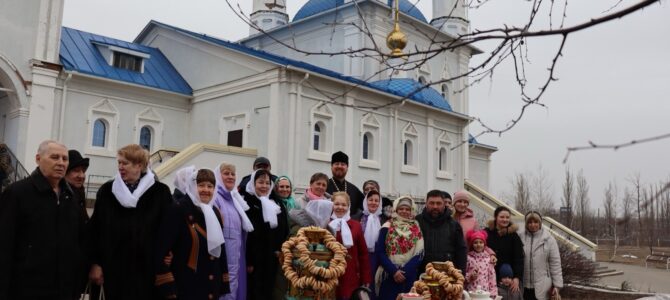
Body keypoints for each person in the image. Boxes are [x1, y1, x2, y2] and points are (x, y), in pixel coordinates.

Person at [0, 140, 86, 300]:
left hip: (64, 289)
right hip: (27, 288)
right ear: (38, 159)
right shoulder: (17, 193)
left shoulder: (71, 196)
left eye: (64, 159)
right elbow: (4, 244)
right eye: (54, 157)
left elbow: (77, 243)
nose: (61, 163)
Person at [88, 144, 173, 300]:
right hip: (112, 269)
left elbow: (168, 229)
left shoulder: (160, 192)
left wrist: (169, 253)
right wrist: (95, 263)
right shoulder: (107, 191)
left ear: (139, 165)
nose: (120, 167)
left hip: (147, 270)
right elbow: (95, 230)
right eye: (119, 162)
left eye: (125, 163)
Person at [155, 167, 230, 299]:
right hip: (186, 285)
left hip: (211, 286)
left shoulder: (215, 212)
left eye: (210, 186)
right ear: (192, 186)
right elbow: (162, 249)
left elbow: (221, 250)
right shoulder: (178, 209)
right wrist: (167, 286)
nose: (206, 190)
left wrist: (223, 281)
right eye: (200, 185)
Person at [244, 169, 288, 300]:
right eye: (260, 182)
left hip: (273, 257)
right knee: (254, 291)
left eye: (267, 183)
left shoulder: (277, 203)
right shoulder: (248, 203)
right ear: (253, 183)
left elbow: (284, 228)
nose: (264, 186)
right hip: (255, 260)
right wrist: (249, 260)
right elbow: (246, 235)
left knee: (271, 291)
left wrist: (280, 250)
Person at [213, 162, 254, 300]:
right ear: (218, 176)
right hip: (223, 256)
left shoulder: (234, 199)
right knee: (224, 289)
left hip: (236, 254)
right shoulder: (216, 197)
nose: (230, 176)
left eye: (233, 174)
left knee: (233, 288)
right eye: (226, 173)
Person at [375, 196, 424, 300]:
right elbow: (380, 251)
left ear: (412, 211)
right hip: (389, 274)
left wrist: (404, 272)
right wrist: (394, 271)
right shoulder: (387, 226)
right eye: (401, 208)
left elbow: (419, 253)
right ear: (396, 209)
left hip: (408, 275)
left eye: (407, 209)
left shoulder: (416, 228)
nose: (404, 211)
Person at [329, 192, 371, 300]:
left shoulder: (356, 225)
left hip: (350, 274)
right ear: (331, 205)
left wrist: (365, 277)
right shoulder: (325, 223)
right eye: (337, 204)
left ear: (348, 207)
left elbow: (363, 254)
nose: (340, 207)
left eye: (343, 205)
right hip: (329, 272)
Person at [415, 190, 467, 273]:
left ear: (444, 205)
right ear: (426, 204)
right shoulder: (417, 222)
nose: (435, 206)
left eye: (438, 203)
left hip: (447, 275)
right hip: (422, 274)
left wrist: (461, 274)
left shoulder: (453, 225)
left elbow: (461, 250)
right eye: (432, 203)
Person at [521, 211, 563, 300]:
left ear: (540, 223)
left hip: (543, 287)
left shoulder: (549, 239)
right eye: (530, 222)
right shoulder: (520, 237)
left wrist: (557, 286)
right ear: (526, 224)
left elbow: (555, 264)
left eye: (536, 222)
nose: (533, 225)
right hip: (524, 287)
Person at [485, 207, 524, 299]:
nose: (505, 219)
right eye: (502, 217)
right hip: (489, 276)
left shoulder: (514, 236)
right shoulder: (487, 232)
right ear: (495, 217)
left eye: (507, 217)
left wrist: (517, 277)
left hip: (508, 279)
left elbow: (519, 258)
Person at [273, 175, 298, 299]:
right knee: (280, 283)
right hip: (278, 250)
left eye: (287, 187)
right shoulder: (273, 203)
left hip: (293, 248)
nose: (284, 189)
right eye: (281, 186)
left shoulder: (295, 204)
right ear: (276, 188)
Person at [359, 190, 386, 298]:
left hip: (378, 258)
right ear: (366, 201)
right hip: (362, 257)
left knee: (376, 284)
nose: (373, 203)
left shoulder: (384, 219)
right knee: (363, 284)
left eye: (376, 200)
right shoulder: (359, 216)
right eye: (370, 200)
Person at [327, 151, 364, 216]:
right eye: (337, 164)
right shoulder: (324, 186)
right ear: (331, 166)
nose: (339, 166)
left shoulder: (354, 190)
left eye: (342, 164)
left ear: (347, 167)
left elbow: (367, 206)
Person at [465, 230, 497, 298]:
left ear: (484, 244)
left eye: (481, 242)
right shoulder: (468, 258)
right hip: (471, 292)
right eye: (475, 242)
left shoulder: (488, 259)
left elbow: (492, 277)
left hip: (485, 293)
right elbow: (464, 274)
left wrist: (493, 293)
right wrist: (470, 276)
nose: (478, 244)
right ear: (472, 244)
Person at [65, 149, 90, 221]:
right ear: (65, 173)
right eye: (76, 170)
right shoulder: (60, 197)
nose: (82, 176)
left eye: (83, 171)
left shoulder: (79, 191)